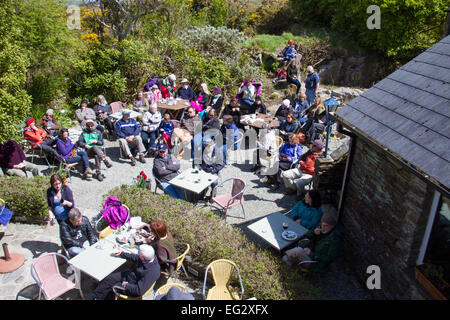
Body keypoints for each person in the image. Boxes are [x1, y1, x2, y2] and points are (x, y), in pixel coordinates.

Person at [86, 244, 160, 300]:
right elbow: (136, 257)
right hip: (129, 275)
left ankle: (97, 297)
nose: (138, 255)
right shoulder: (149, 258)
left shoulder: (152, 272)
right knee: (108, 279)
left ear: (143, 257)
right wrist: (122, 254)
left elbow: (139, 291)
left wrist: (126, 285)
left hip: (131, 286)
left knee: (111, 288)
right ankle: (94, 296)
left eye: (139, 255)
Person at [282, 206, 343, 274]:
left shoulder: (335, 240)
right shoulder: (320, 227)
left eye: (326, 226)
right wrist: (313, 232)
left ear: (332, 226)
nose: (323, 227)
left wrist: (312, 254)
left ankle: (284, 252)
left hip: (316, 263)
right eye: (322, 225)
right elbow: (307, 235)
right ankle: (292, 273)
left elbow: (329, 259)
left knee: (298, 250)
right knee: (285, 259)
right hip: (308, 251)